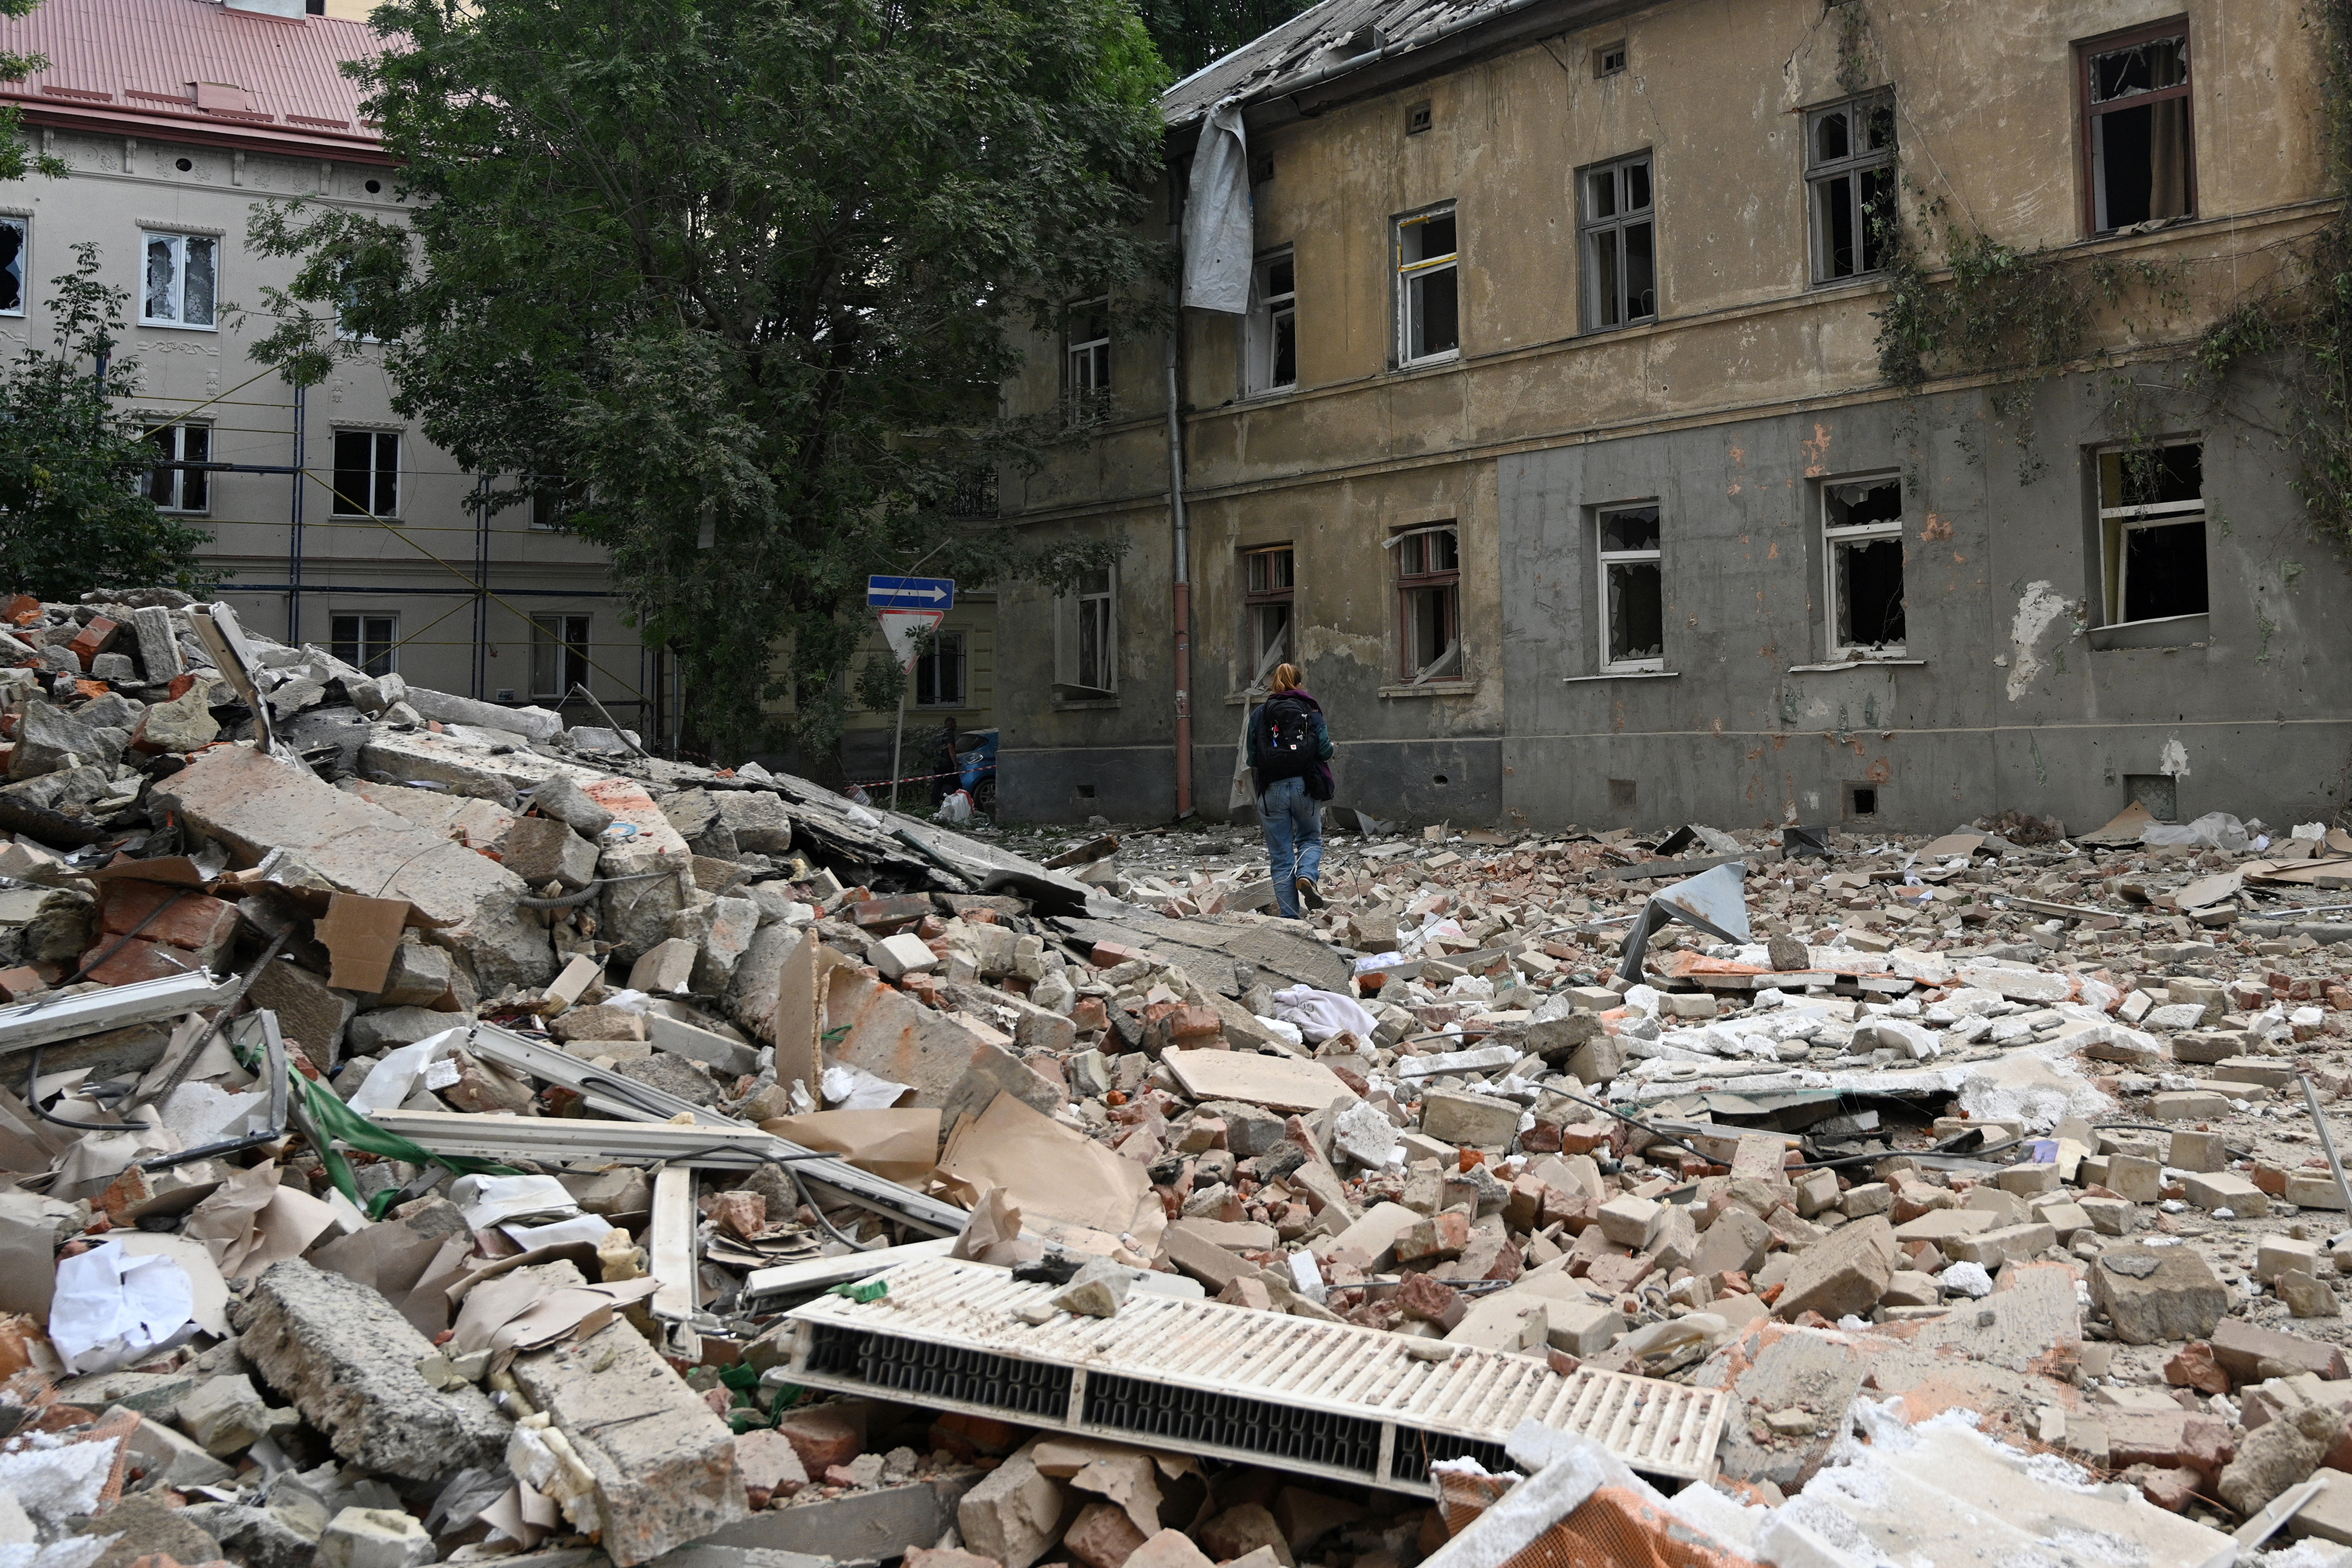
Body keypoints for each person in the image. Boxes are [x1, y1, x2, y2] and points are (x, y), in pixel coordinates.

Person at [1246, 663, 1334, 918]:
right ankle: (1306, 875)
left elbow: (1252, 758)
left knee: (1281, 855)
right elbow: (1324, 750)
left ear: (1274, 684)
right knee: (1310, 838)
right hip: (1304, 786)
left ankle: (1290, 919)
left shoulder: (1260, 714)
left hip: (1271, 789)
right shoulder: (1310, 710)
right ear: (1298, 684)